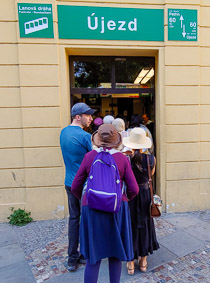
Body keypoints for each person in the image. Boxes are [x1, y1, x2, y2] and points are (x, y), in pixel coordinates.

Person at [71, 124, 139, 283]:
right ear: (116, 140)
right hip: (116, 208)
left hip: (92, 208)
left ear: (98, 139)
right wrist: (124, 199)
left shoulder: (89, 157)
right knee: (115, 254)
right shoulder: (122, 159)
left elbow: (75, 186)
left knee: (93, 258)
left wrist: (85, 200)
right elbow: (134, 188)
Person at [60, 102, 96, 272]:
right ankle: (87, 252)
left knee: (74, 218)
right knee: (87, 218)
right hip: (83, 184)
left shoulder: (63, 132)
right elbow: (95, 158)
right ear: (77, 116)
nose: (91, 118)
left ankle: (72, 257)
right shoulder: (85, 136)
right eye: (87, 115)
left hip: (69, 182)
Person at [123, 127, 160, 275]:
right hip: (144, 194)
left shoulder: (125, 159)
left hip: (130, 195)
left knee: (129, 226)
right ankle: (143, 261)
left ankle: (130, 263)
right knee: (145, 225)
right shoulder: (151, 159)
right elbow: (150, 176)